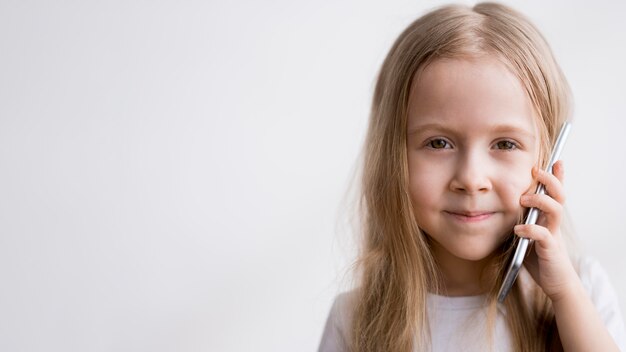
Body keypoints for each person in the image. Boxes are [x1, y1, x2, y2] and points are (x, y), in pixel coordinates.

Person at [318, 2, 625, 351]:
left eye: (505, 143)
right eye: (438, 143)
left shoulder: (579, 291)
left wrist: (564, 294)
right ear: (393, 157)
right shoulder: (355, 318)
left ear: (547, 157)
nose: (471, 178)